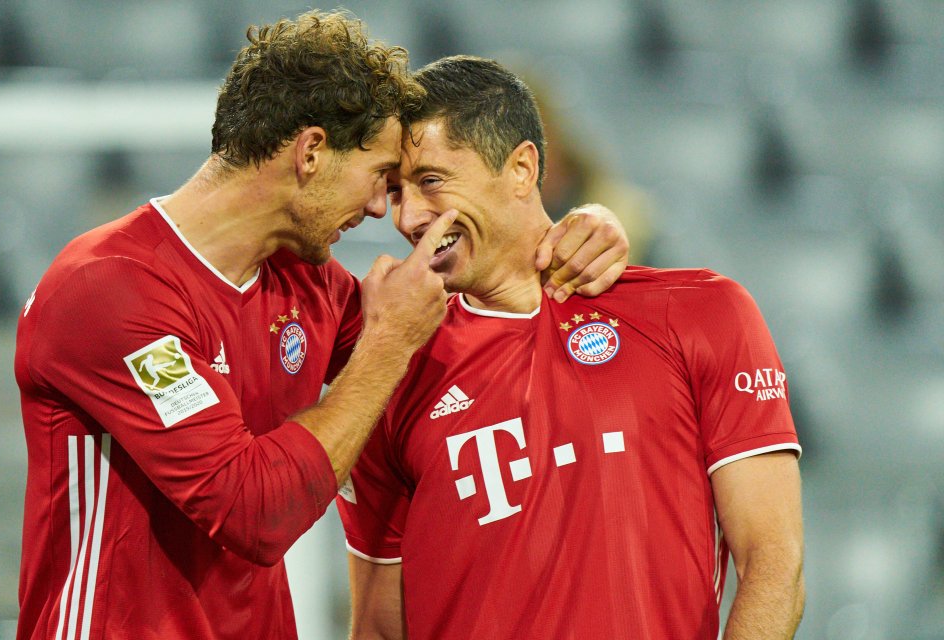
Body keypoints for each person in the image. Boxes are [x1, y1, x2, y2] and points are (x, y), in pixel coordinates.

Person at [13, 12, 629, 640]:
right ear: (311, 152)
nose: (378, 210)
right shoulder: (108, 290)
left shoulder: (302, 283)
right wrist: (386, 343)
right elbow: (254, 512)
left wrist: (578, 232)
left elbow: (468, 342)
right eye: (379, 179)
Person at [337, 56, 805, 640]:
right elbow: (380, 627)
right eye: (396, 191)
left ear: (522, 168)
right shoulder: (389, 375)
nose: (409, 217)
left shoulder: (702, 314)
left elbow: (772, 565)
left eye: (431, 181)